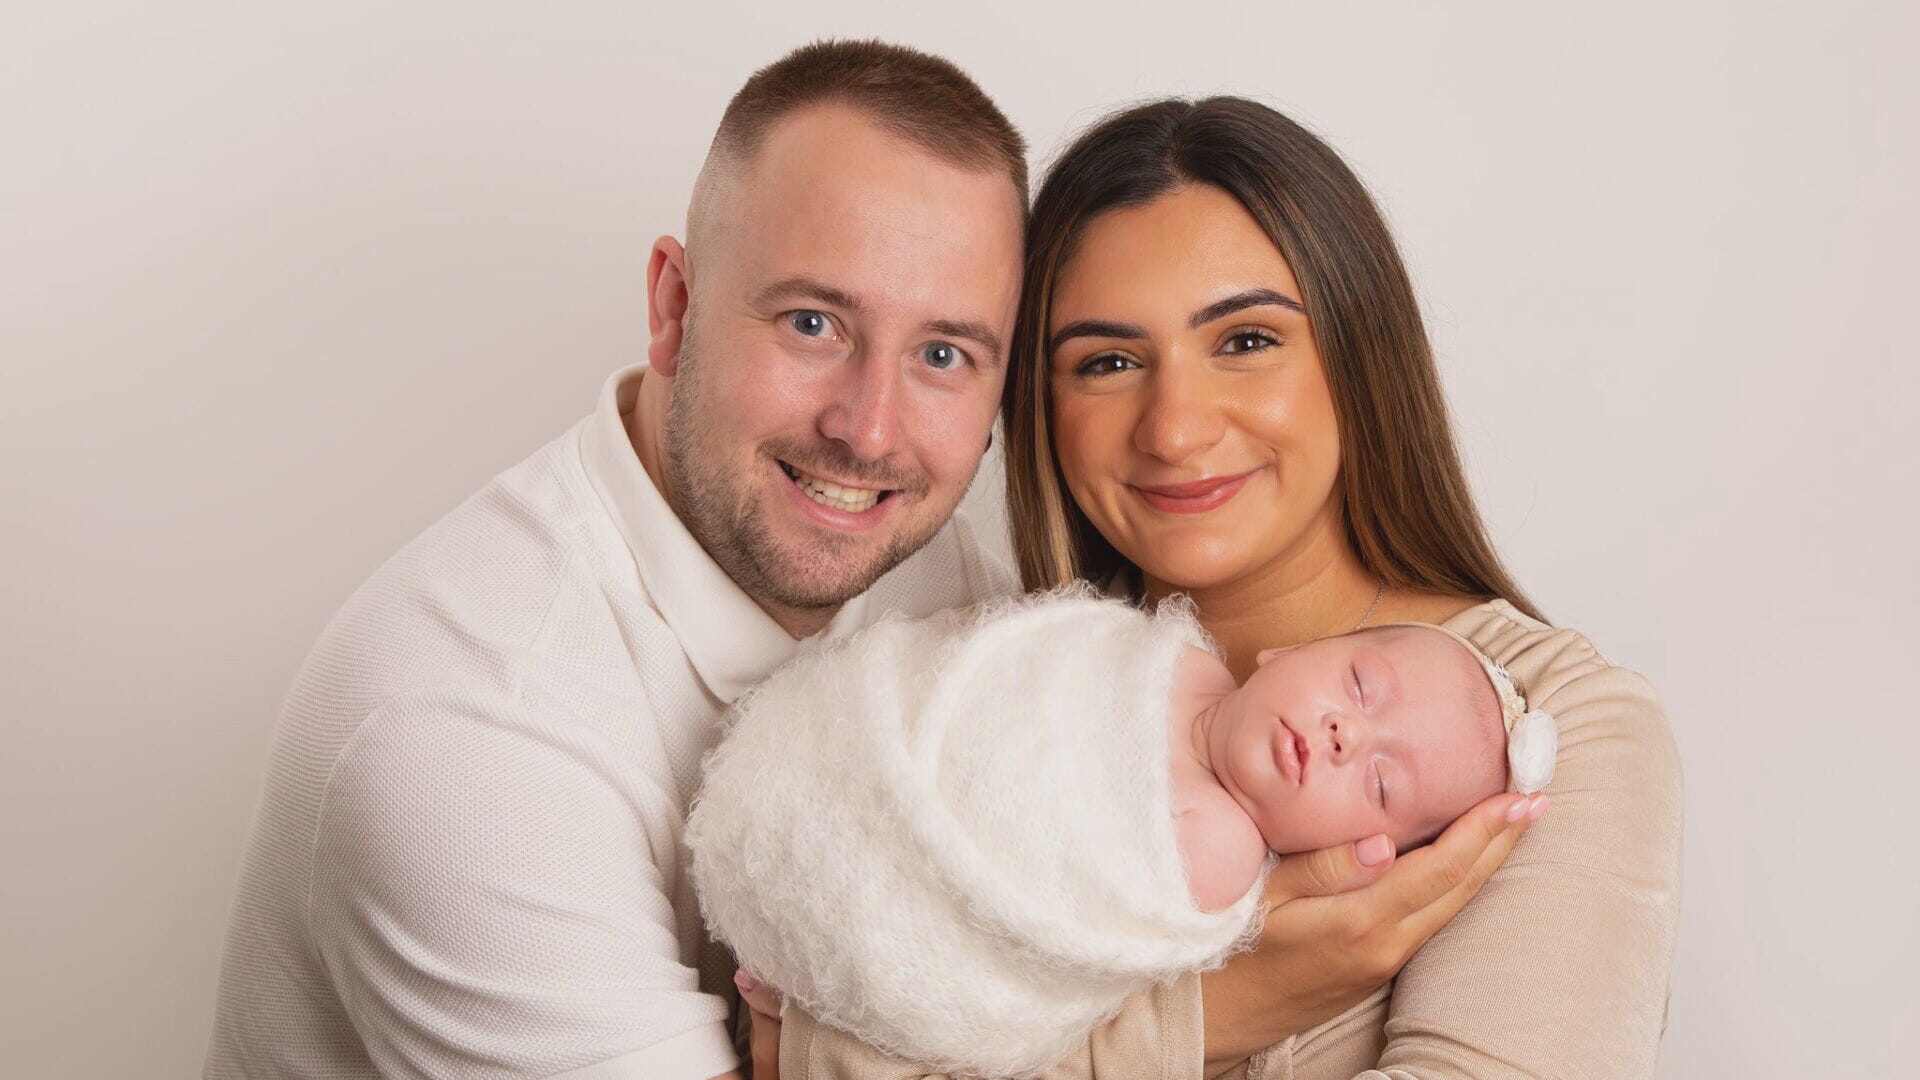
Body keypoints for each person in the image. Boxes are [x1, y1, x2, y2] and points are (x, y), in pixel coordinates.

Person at [766, 97, 1682, 1080]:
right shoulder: (990, 691)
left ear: (1360, 353)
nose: (1175, 428)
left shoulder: (1550, 730)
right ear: (1040, 407)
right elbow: (799, 1000)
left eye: (1245, 341)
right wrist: (1231, 1007)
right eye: (1108, 362)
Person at [202, 40, 1031, 1080]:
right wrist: (1244, 1001)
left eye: (943, 355)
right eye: (813, 323)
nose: (867, 433)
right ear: (674, 307)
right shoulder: (463, 719)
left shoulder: (930, 578)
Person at [688, 587, 1558, 1079]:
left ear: (1357, 854)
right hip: (852, 772)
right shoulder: (1167, 650)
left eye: (1377, 781)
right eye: (1361, 688)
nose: (1343, 735)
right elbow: (990, 670)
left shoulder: (1217, 854)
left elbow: (1051, 958)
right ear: (1286, 654)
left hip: (914, 905)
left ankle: (816, 1007)